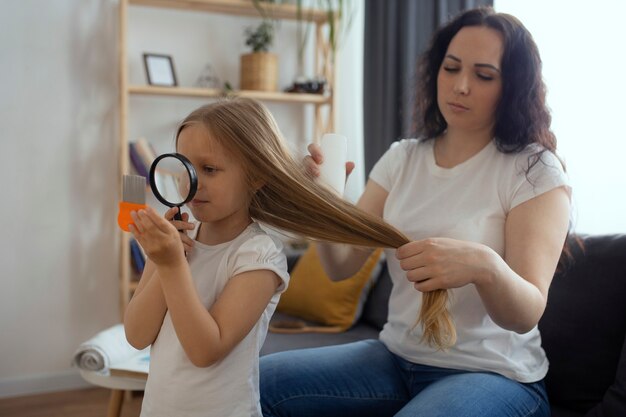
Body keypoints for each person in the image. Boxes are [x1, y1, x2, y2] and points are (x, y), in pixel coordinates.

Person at [260, 6, 571, 417]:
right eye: (451, 68)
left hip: (495, 375)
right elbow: (340, 266)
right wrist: (320, 203)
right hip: (395, 360)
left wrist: (484, 266)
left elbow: (525, 313)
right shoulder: (402, 158)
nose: (460, 86)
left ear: (512, 86)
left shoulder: (534, 170)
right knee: (256, 383)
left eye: (483, 75)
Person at [123, 97, 411, 417]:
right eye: (186, 167)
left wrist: (172, 265)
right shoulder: (178, 238)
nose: (192, 182)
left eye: (209, 169)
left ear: (256, 175)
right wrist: (163, 261)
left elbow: (205, 350)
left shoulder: (258, 255)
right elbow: (137, 335)